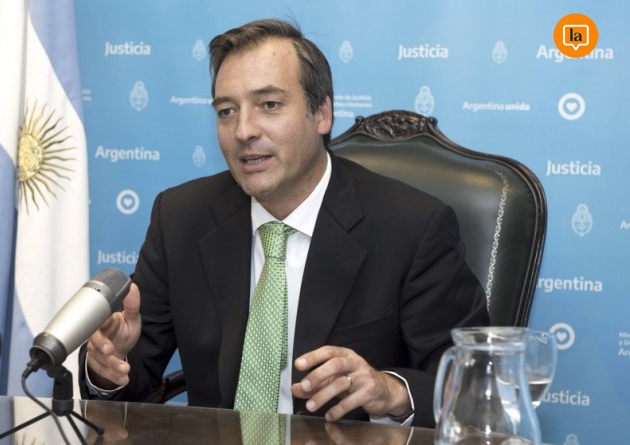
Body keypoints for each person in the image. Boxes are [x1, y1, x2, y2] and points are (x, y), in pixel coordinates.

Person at [79, 18, 489, 428]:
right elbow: (131, 383)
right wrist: (107, 366)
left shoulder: (411, 227)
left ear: (321, 114)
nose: (244, 131)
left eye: (269, 105)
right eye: (226, 111)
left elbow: (474, 387)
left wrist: (390, 390)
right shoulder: (181, 218)